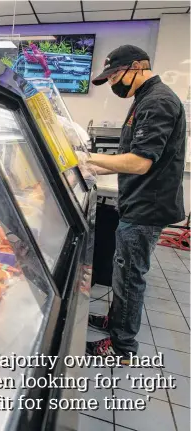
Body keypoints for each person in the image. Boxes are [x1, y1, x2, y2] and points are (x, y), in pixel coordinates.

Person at [84, 45, 187, 362]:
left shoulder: (158, 102)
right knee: (122, 271)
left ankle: (122, 346)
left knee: (129, 277)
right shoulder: (143, 100)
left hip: (147, 208)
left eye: (115, 75)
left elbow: (141, 162)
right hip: (138, 203)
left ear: (137, 67)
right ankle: (115, 321)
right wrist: (88, 167)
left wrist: (84, 158)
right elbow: (125, 157)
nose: (113, 82)